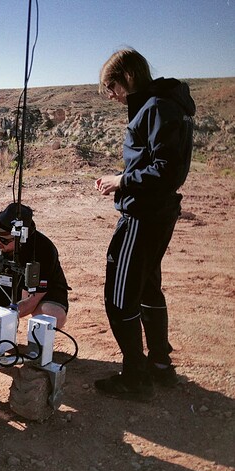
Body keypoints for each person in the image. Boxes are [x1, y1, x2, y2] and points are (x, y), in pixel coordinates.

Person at [94, 48, 195, 401]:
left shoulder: (154, 108)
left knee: (119, 296)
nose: (112, 95)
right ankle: (160, 365)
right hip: (158, 212)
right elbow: (162, 164)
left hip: (143, 215)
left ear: (129, 77)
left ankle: (135, 376)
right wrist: (124, 178)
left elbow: (165, 170)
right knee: (149, 286)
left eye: (113, 86)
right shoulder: (166, 104)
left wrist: (122, 181)